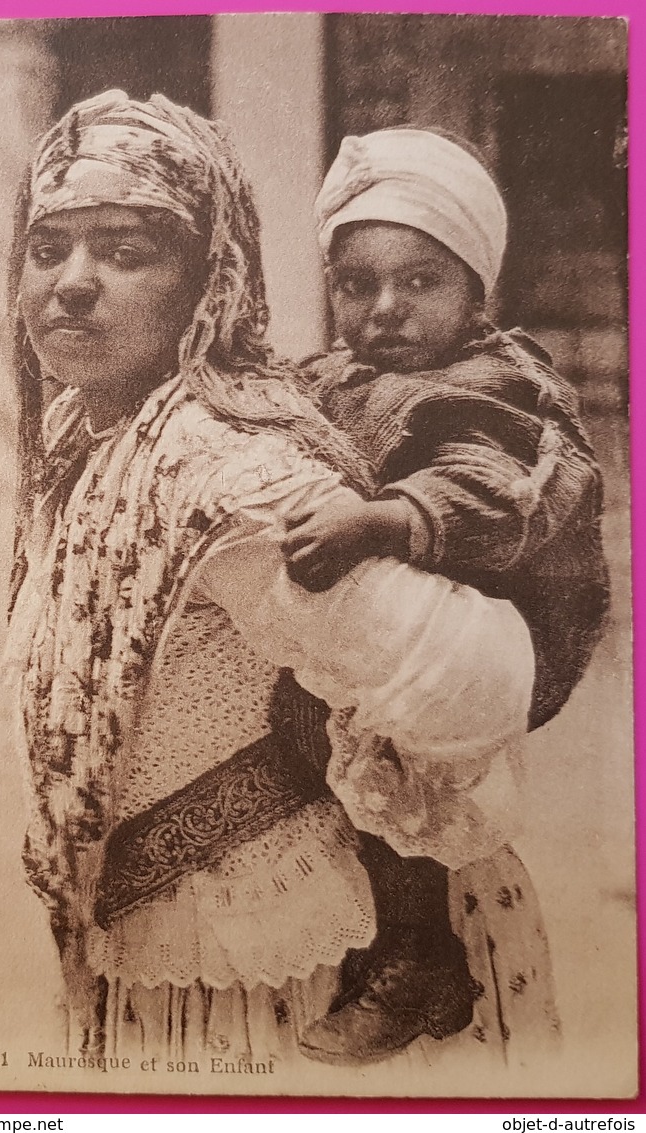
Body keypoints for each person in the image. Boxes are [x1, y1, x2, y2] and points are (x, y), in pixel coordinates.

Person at [5, 91, 538, 1068]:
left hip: (264, 958)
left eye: (124, 252)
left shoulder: (227, 470)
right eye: (50, 248)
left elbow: (470, 678)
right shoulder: (81, 430)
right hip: (142, 934)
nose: (72, 283)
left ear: (205, 280)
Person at [274, 126, 608, 1064]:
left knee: (390, 755)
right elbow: (290, 399)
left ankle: (421, 951)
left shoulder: (494, 383)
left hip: (491, 631)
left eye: (419, 281)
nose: (384, 308)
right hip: (398, 624)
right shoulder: (349, 369)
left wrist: (383, 520)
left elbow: (496, 488)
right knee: (304, 720)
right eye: (356, 283)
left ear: (476, 293)